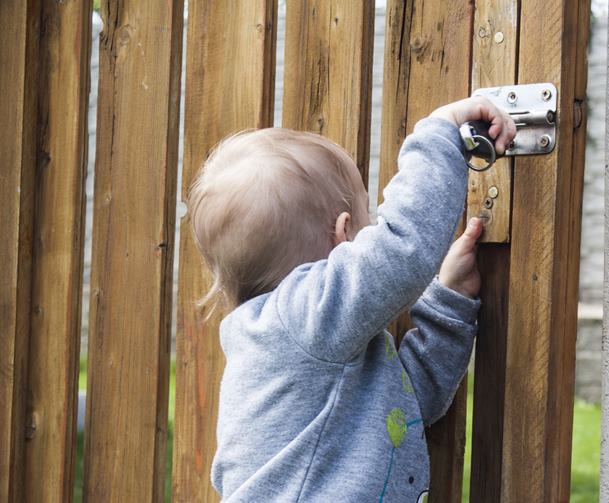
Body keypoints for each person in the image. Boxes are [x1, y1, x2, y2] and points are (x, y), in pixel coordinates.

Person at [188, 97, 516, 502]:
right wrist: (442, 133)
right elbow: (403, 250)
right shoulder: (305, 313)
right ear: (343, 235)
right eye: (369, 219)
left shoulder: (288, 339)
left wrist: (449, 300)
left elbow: (401, 409)